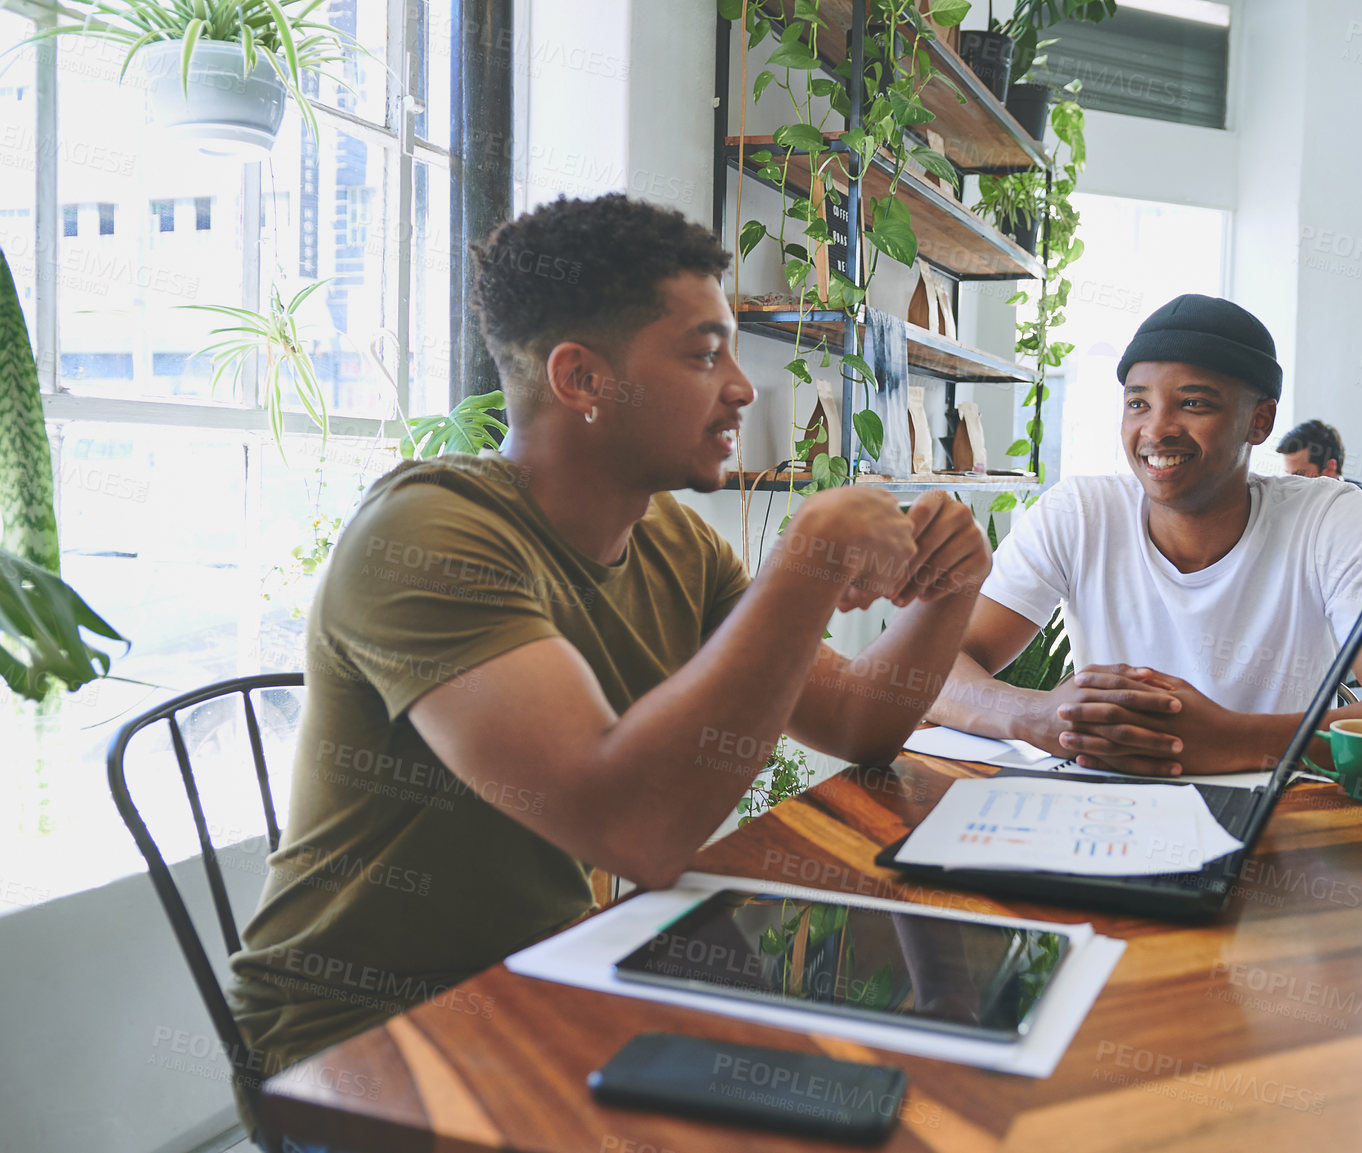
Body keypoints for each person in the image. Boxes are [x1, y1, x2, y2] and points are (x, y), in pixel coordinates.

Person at [225, 194, 991, 1103]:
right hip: (357, 1046)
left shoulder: (673, 539)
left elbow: (858, 721)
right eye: (707, 354)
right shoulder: (430, 534)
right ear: (583, 380)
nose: (742, 387)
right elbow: (637, 828)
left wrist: (953, 584)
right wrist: (809, 556)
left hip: (552, 977)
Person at [928, 293, 1362, 777]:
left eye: (1193, 403)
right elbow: (928, 668)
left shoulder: (1330, 518)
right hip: (1107, 809)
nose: (1156, 430)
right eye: (1138, 403)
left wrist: (1233, 740)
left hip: (1278, 818)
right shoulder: (1080, 513)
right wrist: (1036, 717)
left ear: (1258, 422)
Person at [1277, 418, 1362, 518]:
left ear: (1330, 468)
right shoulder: (1294, 504)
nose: (1290, 483)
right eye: (1288, 474)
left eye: (1299, 474)